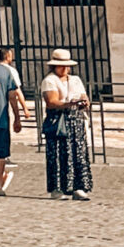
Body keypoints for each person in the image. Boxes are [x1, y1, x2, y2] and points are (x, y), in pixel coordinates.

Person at [40, 47, 93, 199]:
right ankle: (57, 188)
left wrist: (83, 103)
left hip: (75, 121)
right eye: (61, 65)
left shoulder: (75, 80)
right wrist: (68, 103)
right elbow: (51, 101)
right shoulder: (49, 81)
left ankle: (78, 187)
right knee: (58, 154)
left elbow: (84, 95)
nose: (65, 69)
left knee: (78, 153)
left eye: (67, 66)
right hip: (59, 121)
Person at [0, 38, 26, 195]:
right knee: (0, 153)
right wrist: (17, 116)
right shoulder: (5, 71)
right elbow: (12, 96)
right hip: (1, 117)